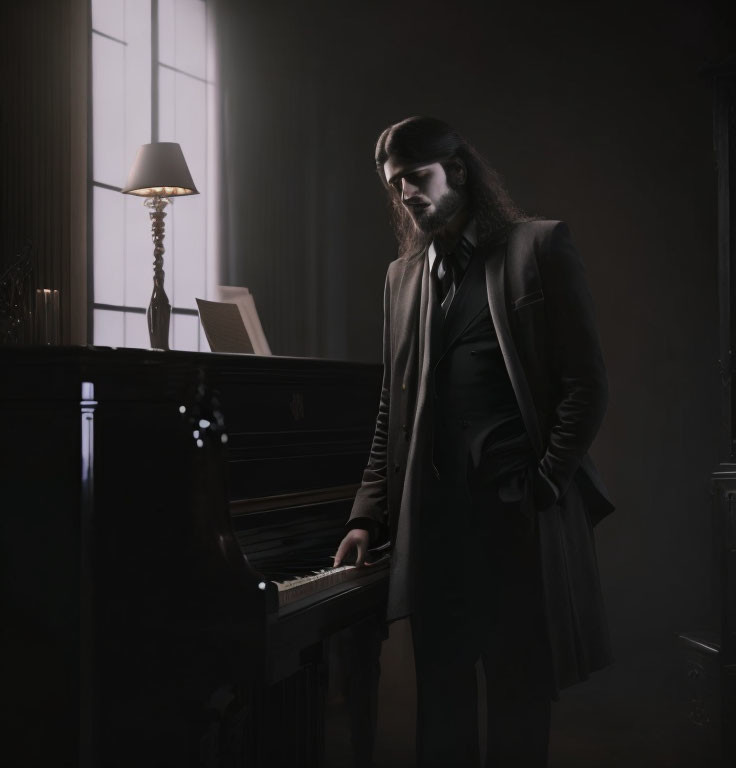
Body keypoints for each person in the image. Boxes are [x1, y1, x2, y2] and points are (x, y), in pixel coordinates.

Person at [334, 116, 615, 767]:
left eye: (415, 176)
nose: (404, 193)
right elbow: (390, 410)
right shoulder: (400, 279)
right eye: (393, 183)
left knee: (519, 711)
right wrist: (365, 513)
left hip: (517, 522)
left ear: (457, 170)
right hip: (433, 532)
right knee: (442, 715)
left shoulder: (538, 248)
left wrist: (542, 482)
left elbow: (586, 386)